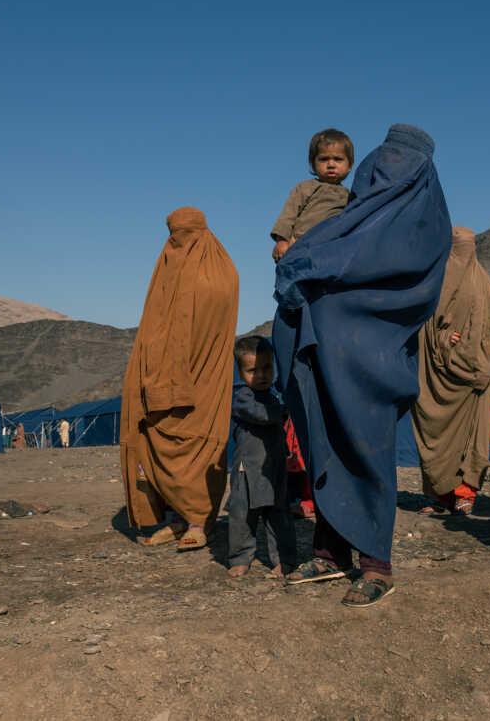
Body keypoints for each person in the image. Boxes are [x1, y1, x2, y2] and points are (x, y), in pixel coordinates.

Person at [274, 124, 451, 608]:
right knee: (326, 442)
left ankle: (377, 563)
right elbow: (321, 252)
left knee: (365, 448)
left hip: (377, 358)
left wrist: (309, 263)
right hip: (327, 352)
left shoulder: (422, 222)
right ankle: (330, 553)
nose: (383, 171)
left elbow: (373, 266)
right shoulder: (356, 212)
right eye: (380, 162)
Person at [120, 207, 238, 552]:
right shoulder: (166, 267)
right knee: (155, 433)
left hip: (204, 378)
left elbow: (211, 320)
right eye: (174, 236)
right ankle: (175, 520)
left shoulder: (221, 271)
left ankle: (199, 522)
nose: (179, 242)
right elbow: (155, 323)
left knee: (197, 440)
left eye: (187, 235)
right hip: (163, 375)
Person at [412, 226, 490, 516]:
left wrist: (465, 353)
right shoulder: (434, 281)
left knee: (469, 435)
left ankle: (465, 494)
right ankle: (442, 495)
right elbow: (423, 322)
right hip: (436, 378)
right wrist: (440, 341)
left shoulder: (483, 286)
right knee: (435, 432)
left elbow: (489, 333)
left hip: (471, 380)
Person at [227, 336, 298, 578]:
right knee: (242, 514)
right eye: (252, 370)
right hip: (246, 470)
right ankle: (240, 557)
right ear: (240, 371)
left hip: (274, 468)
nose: (261, 375)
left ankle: (285, 559)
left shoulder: (274, 396)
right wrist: (284, 411)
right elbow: (260, 414)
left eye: (267, 368)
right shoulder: (243, 398)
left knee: (279, 514)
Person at [270, 128, 354, 263]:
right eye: (324, 159)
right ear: (313, 164)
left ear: (350, 165)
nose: (331, 164)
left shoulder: (350, 196)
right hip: (299, 248)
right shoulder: (306, 188)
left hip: (330, 253)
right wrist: (282, 241)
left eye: (338, 159)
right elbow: (288, 216)